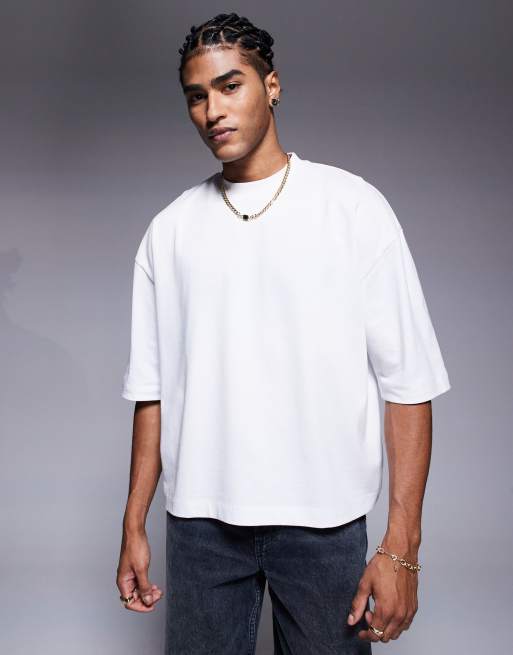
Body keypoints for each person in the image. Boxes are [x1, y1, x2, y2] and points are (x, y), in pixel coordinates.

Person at [116, 12, 451, 654]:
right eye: (196, 95)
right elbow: (151, 391)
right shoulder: (170, 231)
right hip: (201, 529)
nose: (213, 110)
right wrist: (133, 522)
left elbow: (409, 385)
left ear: (271, 86)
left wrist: (402, 547)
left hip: (324, 526)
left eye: (230, 85)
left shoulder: (351, 208)